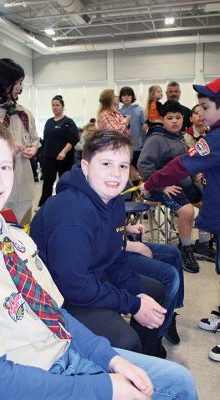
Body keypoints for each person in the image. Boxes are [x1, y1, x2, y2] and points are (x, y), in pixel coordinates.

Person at [0, 116, 198, 400]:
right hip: (27, 380)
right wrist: (103, 387)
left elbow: (56, 313)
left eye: (4, 166)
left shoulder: (15, 238)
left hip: (62, 349)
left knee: (179, 380)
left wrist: (109, 358)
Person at [30, 129, 183, 358]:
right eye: (106, 164)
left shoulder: (113, 202)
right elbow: (73, 286)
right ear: (85, 167)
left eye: (123, 165)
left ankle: (145, 358)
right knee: (125, 340)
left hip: (90, 276)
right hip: (58, 294)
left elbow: (113, 258)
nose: (116, 173)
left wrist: (136, 296)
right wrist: (132, 304)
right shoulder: (70, 213)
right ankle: (125, 363)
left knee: (155, 290)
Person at [140, 77, 220, 361]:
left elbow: (181, 165)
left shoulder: (215, 139)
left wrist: (150, 183)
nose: (200, 112)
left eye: (206, 106)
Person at [138, 100, 215, 273]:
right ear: (162, 120)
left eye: (178, 118)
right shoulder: (156, 139)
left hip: (184, 185)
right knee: (187, 211)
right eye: (170, 118)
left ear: (183, 119)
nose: (174, 121)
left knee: (208, 203)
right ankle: (185, 248)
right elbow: (144, 166)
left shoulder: (179, 138)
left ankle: (202, 246)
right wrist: (162, 187)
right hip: (162, 188)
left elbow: (188, 165)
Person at [0, 58, 39, 225]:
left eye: (21, 83)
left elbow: (34, 140)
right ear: (2, 82)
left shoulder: (24, 114)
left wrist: (32, 149)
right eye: (16, 83)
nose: (20, 88)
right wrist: (4, 146)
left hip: (24, 188)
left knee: (21, 234)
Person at [38, 95, 79, 207]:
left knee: (64, 182)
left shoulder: (68, 122)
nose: (55, 107)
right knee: (47, 183)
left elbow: (73, 139)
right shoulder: (49, 122)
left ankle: (65, 204)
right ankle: (44, 205)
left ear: (62, 107)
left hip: (64, 158)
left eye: (57, 105)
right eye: (53, 105)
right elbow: (46, 140)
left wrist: (63, 152)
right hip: (49, 158)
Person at [119, 86, 147, 167]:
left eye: (129, 95)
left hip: (138, 146)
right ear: (121, 97)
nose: (126, 97)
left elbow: (144, 127)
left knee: (137, 171)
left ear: (132, 97)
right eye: (124, 95)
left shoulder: (140, 110)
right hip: (123, 147)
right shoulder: (118, 112)